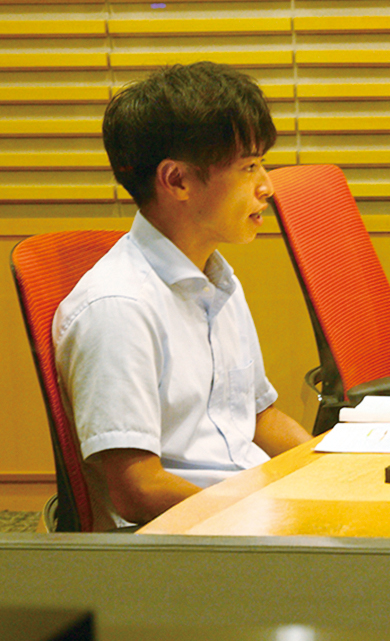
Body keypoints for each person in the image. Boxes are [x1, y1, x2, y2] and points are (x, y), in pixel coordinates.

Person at [54, 62, 311, 530]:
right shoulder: (118, 308)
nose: (268, 186)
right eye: (249, 167)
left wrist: (330, 473)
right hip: (189, 538)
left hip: (246, 511)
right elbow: (137, 489)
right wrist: (263, 513)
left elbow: (259, 417)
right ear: (177, 181)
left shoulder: (216, 278)